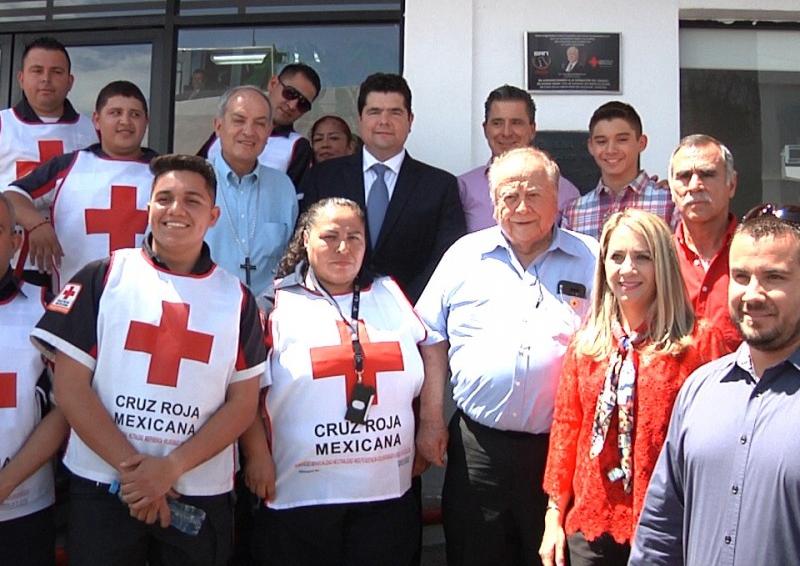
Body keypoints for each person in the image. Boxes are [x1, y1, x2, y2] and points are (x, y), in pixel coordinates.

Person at [30, 154, 266, 566]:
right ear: (149, 207)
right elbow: (69, 387)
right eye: (165, 198)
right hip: (105, 485)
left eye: (192, 201)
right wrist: (138, 476)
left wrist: (169, 469)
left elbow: (243, 403)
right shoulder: (103, 277)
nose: (176, 210)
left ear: (213, 215)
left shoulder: (238, 298)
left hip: (197, 492)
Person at [415, 147, 598, 566]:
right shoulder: (464, 256)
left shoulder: (593, 258)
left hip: (560, 453)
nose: (520, 207)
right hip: (477, 448)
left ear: (557, 199)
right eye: (508, 196)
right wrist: (430, 420)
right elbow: (431, 338)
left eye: (533, 195)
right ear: (494, 201)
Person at [240, 197, 426, 565]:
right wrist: (256, 455)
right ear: (306, 239)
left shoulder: (391, 294)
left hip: (384, 491)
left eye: (355, 237)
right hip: (301, 491)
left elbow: (430, 350)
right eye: (330, 236)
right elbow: (243, 387)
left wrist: (430, 426)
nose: (343, 247)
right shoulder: (272, 303)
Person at [538, 209, 726, 566]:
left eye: (643, 257)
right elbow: (566, 429)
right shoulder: (587, 344)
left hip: (671, 525)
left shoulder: (699, 343)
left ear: (664, 265)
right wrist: (553, 518)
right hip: (593, 524)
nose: (628, 269)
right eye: (617, 257)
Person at [630, 204, 800, 566]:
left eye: (774, 277)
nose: (753, 294)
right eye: (740, 276)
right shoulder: (700, 390)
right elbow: (661, 530)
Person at [300, 72, 465, 303]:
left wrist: (404, 306)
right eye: (374, 112)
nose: (384, 121)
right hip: (331, 309)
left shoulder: (440, 186)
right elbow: (305, 246)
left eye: (395, 112)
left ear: (410, 120)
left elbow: (448, 259)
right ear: (360, 119)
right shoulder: (323, 177)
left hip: (412, 315)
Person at [5, 80, 157, 291]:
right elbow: (12, 195)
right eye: (115, 113)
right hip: (73, 302)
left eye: (135, 114)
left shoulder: (165, 173)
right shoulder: (68, 165)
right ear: (96, 119)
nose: (125, 121)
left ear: (146, 121)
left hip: (139, 302)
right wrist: (37, 224)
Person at [0, 193, 69, 566]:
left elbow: (65, 407)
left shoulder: (47, 310)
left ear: (14, 242)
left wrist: (5, 483)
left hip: (24, 509)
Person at [203, 85, 297, 295]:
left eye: (260, 123)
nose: (249, 131)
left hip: (264, 315)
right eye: (239, 120)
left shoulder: (283, 188)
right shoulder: (192, 181)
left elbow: (292, 262)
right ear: (218, 126)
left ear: (269, 132)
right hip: (202, 311)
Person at [458, 85, 580, 232]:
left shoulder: (565, 191)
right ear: (485, 129)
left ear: (532, 129)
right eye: (497, 123)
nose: (506, 132)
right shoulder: (463, 188)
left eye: (516, 123)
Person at [561, 101, 676, 240]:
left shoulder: (669, 201)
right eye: (601, 142)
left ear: (641, 143)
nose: (611, 150)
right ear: (591, 146)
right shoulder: (575, 212)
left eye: (622, 140)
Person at [669, 134, 742, 352]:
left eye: (707, 174)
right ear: (672, 190)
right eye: (684, 176)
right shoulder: (656, 259)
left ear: (732, 184)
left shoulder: (756, 257)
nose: (695, 185)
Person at [199, 63, 321, 188]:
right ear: (273, 83)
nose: (292, 105)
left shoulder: (298, 146)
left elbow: (292, 200)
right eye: (290, 93)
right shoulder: (228, 129)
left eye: (303, 104)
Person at [0, 37, 97, 187]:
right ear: (21, 79)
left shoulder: (94, 131)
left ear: (70, 82)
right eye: (37, 71)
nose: (46, 79)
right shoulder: (2, 125)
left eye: (56, 72)